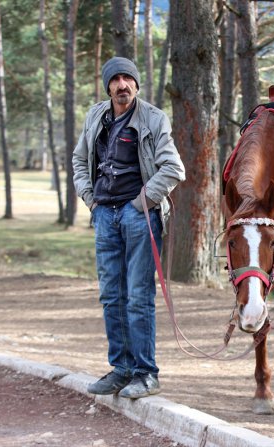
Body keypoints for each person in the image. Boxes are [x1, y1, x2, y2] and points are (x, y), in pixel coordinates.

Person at [72, 56, 185, 398]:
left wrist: (143, 201)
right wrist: (91, 199)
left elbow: (174, 169)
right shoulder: (96, 115)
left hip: (139, 216)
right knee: (111, 295)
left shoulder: (153, 118)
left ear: (136, 84)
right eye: (115, 79)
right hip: (105, 214)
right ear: (107, 85)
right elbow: (80, 160)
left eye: (128, 79)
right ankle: (121, 369)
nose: (122, 85)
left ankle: (146, 373)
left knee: (138, 296)